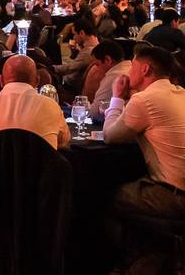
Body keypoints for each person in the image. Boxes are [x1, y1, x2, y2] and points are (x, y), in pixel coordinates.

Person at [104, 45, 185, 220]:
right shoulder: (180, 93)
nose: (128, 71)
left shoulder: (145, 99)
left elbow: (109, 136)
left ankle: (135, 247)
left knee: (106, 193)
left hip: (174, 195)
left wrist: (117, 97)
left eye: (132, 65)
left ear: (145, 69)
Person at [0, 55, 70, 150]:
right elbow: (62, 141)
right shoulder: (50, 106)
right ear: (37, 81)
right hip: (38, 166)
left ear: (1, 81)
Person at [82, 39, 131, 118]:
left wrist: (79, 109)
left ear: (107, 60)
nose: (96, 69)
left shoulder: (114, 77)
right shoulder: (129, 68)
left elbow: (94, 112)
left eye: (97, 64)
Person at [54, 18, 99, 89]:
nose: (74, 38)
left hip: (71, 87)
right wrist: (75, 51)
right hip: (73, 82)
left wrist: (52, 68)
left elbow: (70, 68)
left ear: (82, 33)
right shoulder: (94, 43)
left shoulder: (89, 51)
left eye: (74, 34)